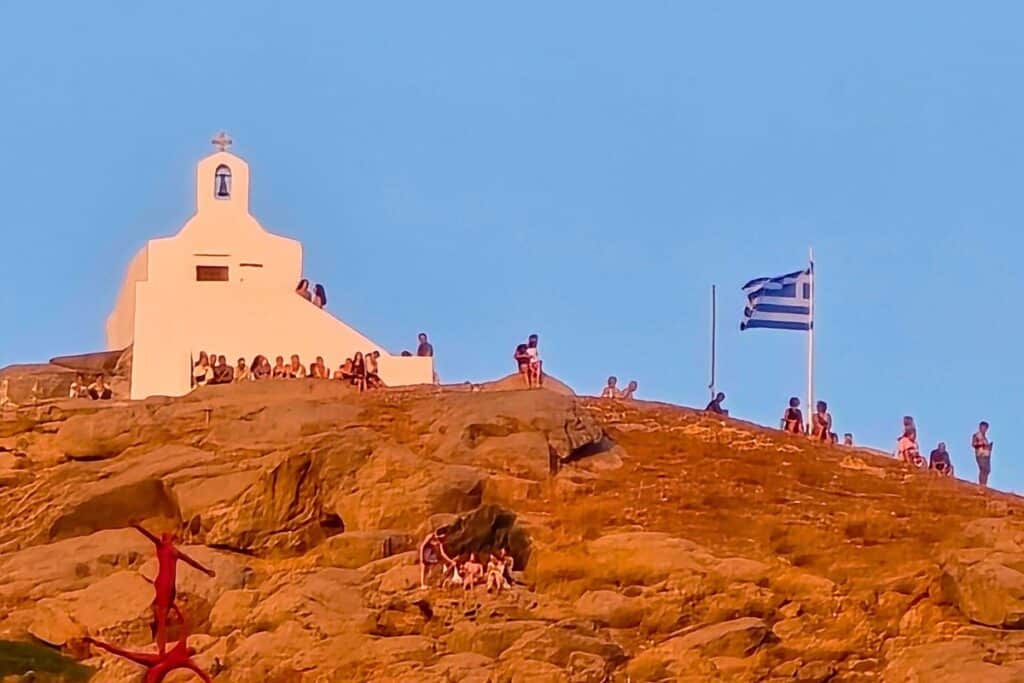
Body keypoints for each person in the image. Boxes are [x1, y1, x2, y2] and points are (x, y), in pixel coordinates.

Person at [130, 523, 215, 655]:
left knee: (171, 615)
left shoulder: (175, 550)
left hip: (171, 586)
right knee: (163, 617)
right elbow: (149, 536)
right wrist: (137, 526)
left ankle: (169, 645)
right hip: (163, 584)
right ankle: (161, 650)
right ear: (165, 538)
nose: (172, 534)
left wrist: (206, 571)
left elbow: (190, 561)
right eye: (169, 534)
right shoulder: (161, 546)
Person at [972, 421, 993, 487]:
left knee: (987, 470)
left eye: (985, 428)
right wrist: (983, 445)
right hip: (980, 455)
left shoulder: (985, 437)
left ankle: (984, 484)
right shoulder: (977, 435)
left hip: (986, 455)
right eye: (982, 427)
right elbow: (974, 444)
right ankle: (982, 484)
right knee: (983, 469)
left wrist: (989, 447)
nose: (984, 429)